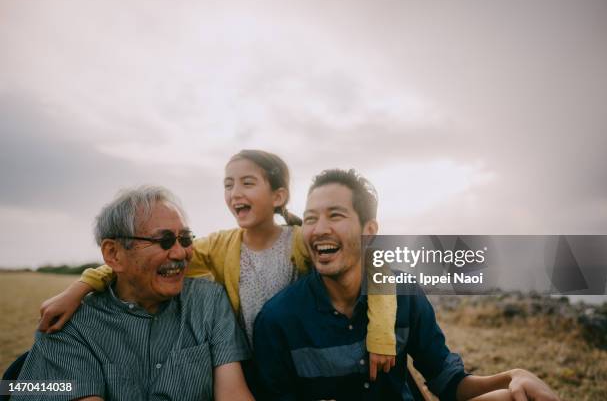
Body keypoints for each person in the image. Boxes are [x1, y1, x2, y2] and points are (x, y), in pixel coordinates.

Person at [37, 150, 397, 383]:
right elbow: (146, 261)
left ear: (278, 196)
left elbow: (376, 262)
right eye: (228, 184)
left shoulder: (301, 238)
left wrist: (381, 334)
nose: (235, 192)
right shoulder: (219, 245)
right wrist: (80, 287)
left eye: (247, 182)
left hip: (297, 364)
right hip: (242, 368)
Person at [253, 169, 560, 401]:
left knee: (521, 397)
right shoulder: (278, 319)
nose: (319, 229)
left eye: (335, 215)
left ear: (369, 231)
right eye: (310, 219)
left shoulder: (401, 293)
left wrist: (512, 377)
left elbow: (448, 382)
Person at [13, 186, 253, 401]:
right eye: (165, 240)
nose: (180, 253)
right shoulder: (67, 324)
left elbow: (233, 394)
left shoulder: (208, 301)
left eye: (185, 238)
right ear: (114, 254)